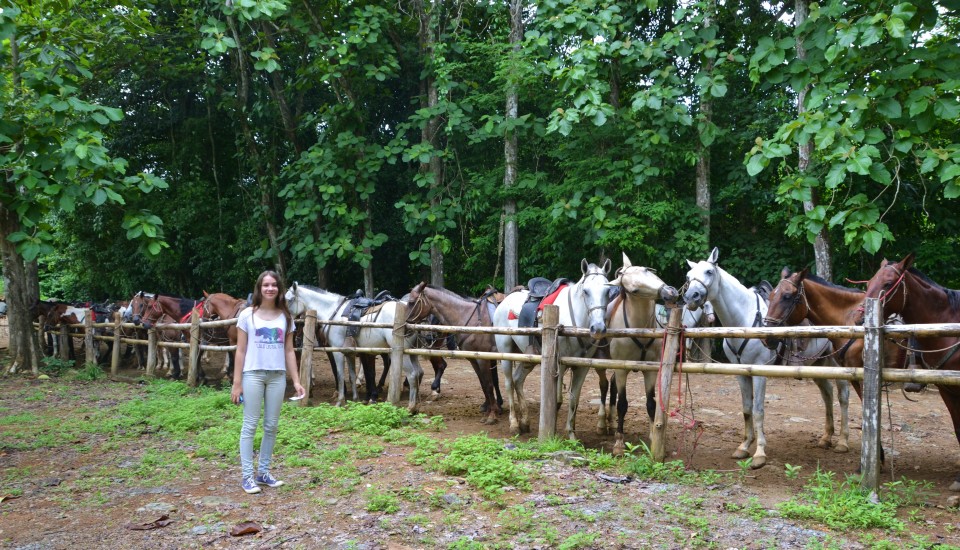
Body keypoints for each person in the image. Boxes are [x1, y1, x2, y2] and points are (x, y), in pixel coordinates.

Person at [231, 270, 305, 494]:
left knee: (271, 426)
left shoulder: (286, 317)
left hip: (277, 376)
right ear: (259, 288)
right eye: (266, 285)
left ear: (279, 289)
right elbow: (241, 350)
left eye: (274, 285)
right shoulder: (247, 315)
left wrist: (297, 380)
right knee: (250, 425)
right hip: (253, 374)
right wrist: (237, 382)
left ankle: (263, 472)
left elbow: (289, 350)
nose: (270, 288)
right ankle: (247, 477)